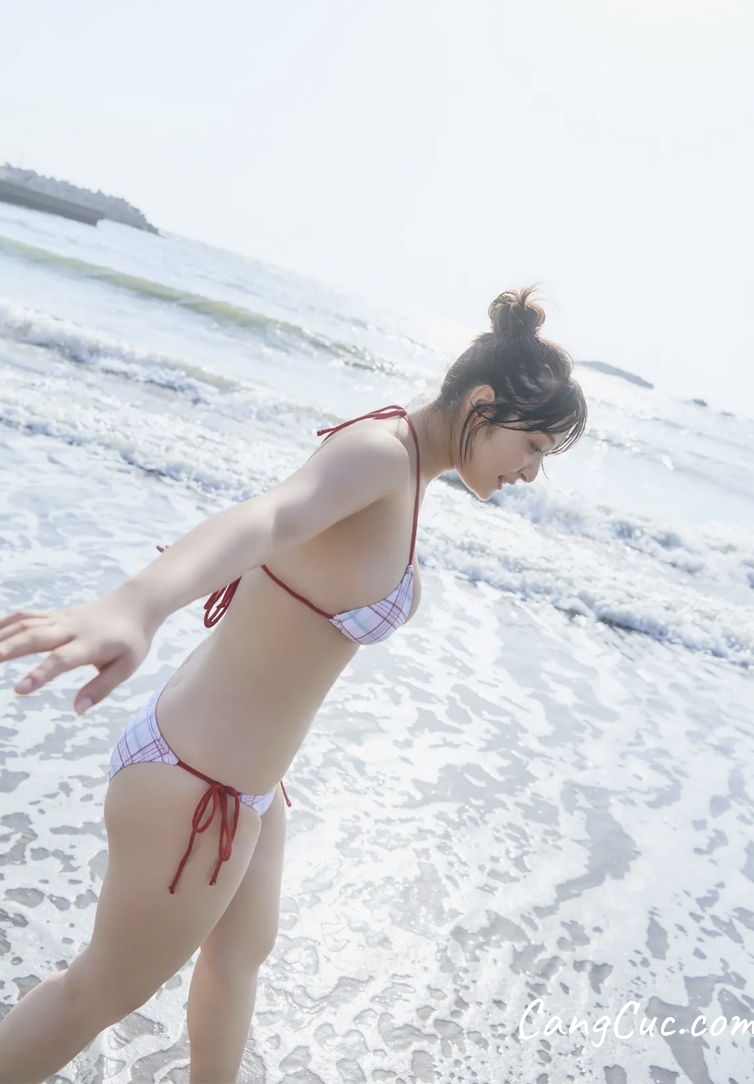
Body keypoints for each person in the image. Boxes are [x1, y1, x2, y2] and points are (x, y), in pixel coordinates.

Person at [0, 287, 587, 1084]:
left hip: (244, 783)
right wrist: (136, 604)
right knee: (98, 993)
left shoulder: (405, 468)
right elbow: (270, 519)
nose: (531, 472)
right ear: (482, 403)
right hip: (194, 786)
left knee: (239, 958)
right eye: (534, 446)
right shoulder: (382, 454)